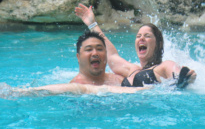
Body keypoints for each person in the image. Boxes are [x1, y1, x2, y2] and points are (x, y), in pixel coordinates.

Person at [75, 4, 197, 88]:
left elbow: (176, 72)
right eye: (138, 36)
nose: (141, 39)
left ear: (159, 43)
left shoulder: (163, 66)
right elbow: (111, 56)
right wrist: (92, 24)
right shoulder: (132, 69)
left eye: (147, 36)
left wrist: (184, 77)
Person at [0, 32, 146, 98]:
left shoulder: (120, 79)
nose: (95, 53)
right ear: (78, 57)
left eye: (100, 49)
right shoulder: (75, 87)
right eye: (89, 49)